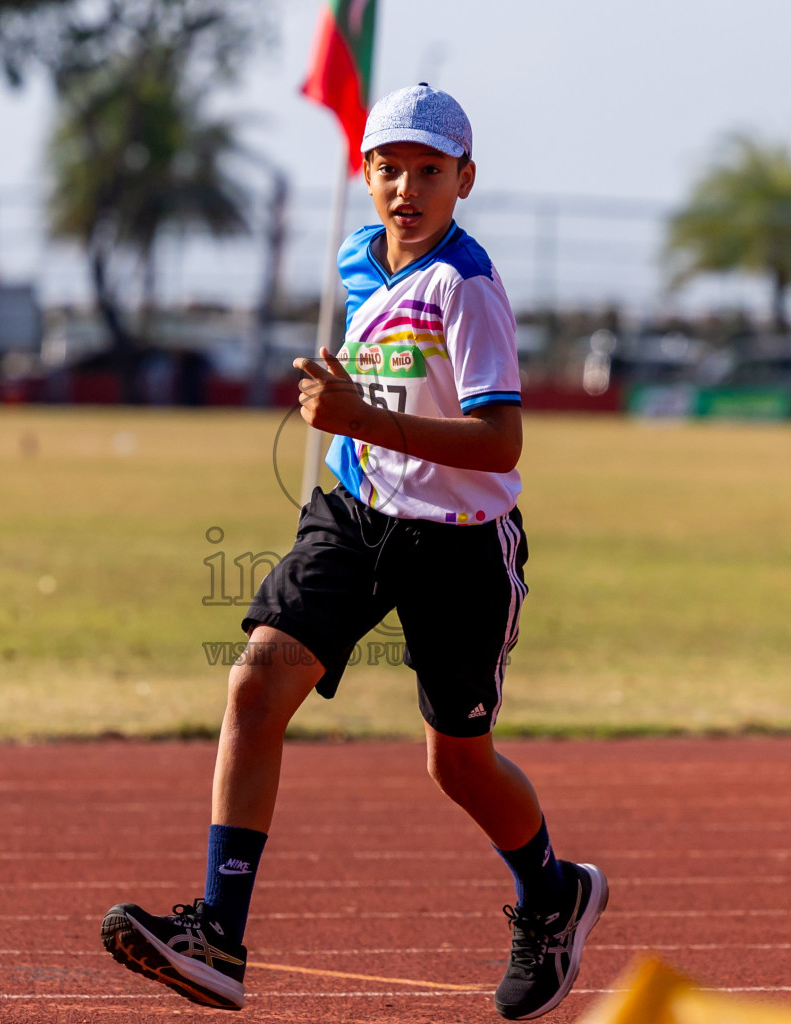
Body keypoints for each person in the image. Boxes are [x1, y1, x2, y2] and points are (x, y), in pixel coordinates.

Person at [101, 83, 607, 1021]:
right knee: (255, 683)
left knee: (457, 764)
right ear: (364, 173)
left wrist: (361, 415)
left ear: (464, 179)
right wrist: (343, 421)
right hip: (355, 514)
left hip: (460, 545)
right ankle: (217, 933)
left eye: (428, 170)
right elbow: (379, 381)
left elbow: (500, 444)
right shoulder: (354, 255)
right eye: (389, 167)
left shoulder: (467, 287)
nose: (406, 187)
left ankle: (552, 891)